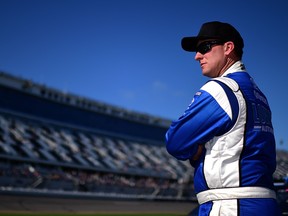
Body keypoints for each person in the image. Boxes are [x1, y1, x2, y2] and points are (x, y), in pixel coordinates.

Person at [165, 21, 281, 215]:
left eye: (205, 47)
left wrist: (198, 150)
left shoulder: (220, 88)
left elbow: (175, 141)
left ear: (228, 48)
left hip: (231, 204)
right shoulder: (258, 94)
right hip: (264, 201)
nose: (197, 56)